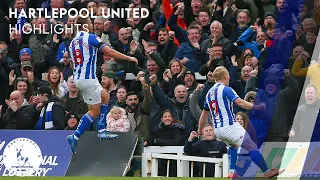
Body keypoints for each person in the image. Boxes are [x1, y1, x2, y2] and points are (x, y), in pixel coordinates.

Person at [66, 16, 138, 155]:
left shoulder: (73, 42)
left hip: (78, 78)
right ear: (85, 26)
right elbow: (109, 52)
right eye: (90, 23)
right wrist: (128, 57)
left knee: (104, 96)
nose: (92, 26)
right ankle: (79, 135)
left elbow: (72, 63)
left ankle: (97, 130)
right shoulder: (91, 37)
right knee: (94, 111)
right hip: (88, 79)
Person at [197, 66, 284, 178]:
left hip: (218, 130)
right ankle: (267, 171)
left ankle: (233, 172)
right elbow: (241, 103)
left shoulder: (209, 93)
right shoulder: (226, 89)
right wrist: (257, 107)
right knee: (252, 146)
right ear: (225, 76)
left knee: (233, 146)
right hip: (229, 126)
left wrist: (200, 130)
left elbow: (204, 114)